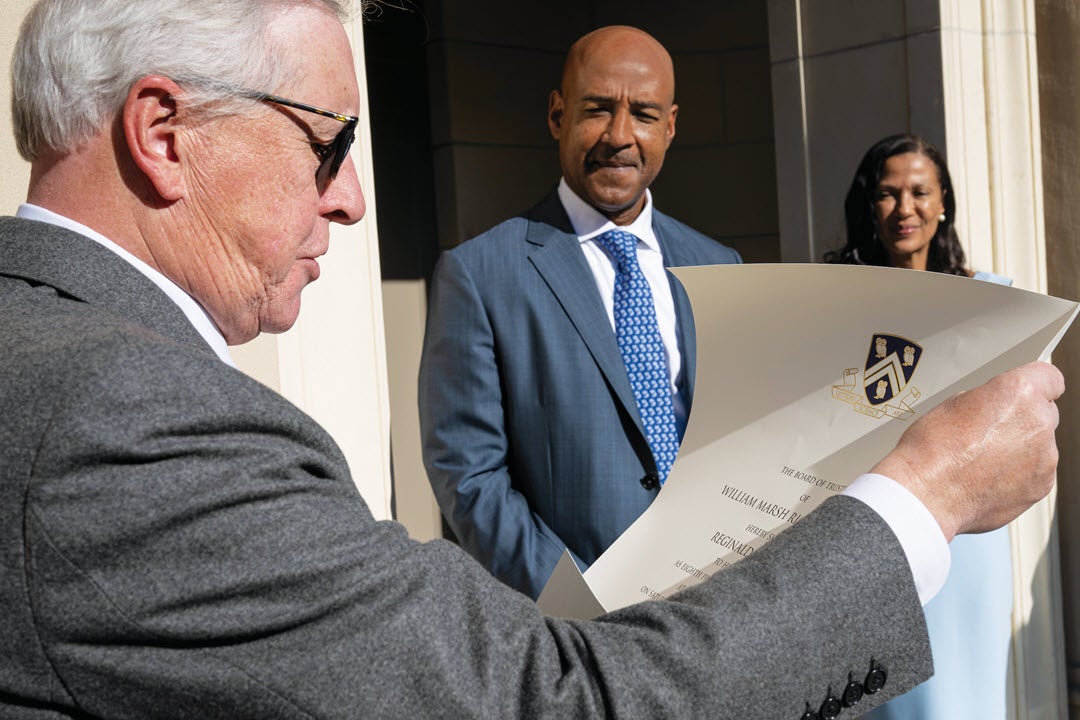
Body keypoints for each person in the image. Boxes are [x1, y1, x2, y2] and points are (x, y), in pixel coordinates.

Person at [0, 2, 1064, 718]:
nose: (352, 196)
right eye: (327, 141)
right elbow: (492, 565)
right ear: (164, 132)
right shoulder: (134, 422)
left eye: (645, 113)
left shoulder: (62, 359)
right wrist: (922, 494)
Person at [418, 25, 742, 600]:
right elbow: (468, 476)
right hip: (581, 633)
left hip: (717, 603)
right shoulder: (480, 274)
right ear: (556, 115)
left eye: (643, 114)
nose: (619, 136)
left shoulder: (719, 266)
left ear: (669, 126)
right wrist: (580, 599)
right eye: (597, 110)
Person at [825, 133, 1014, 719]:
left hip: (970, 534)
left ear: (943, 202)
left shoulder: (993, 301)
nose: (904, 208)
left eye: (918, 192)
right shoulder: (834, 303)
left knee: (966, 694)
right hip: (876, 527)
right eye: (887, 194)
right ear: (869, 207)